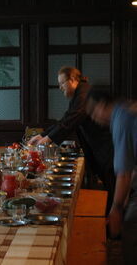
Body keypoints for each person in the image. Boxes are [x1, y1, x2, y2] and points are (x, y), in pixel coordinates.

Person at [28, 67, 115, 211]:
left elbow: (71, 121)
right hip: (101, 149)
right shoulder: (79, 93)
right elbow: (65, 118)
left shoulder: (83, 94)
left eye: (62, 83)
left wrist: (47, 139)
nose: (60, 87)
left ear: (73, 80)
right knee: (110, 189)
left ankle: (113, 228)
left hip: (106, 149)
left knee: (112, 191)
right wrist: (43, 135)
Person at [86, 90, 137, 265]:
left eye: (93, 113)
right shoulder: (126, 108)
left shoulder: (121, 120)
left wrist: (116, 209)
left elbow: (123, 173)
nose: (93, 118)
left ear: (102, 105)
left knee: (131, 227)